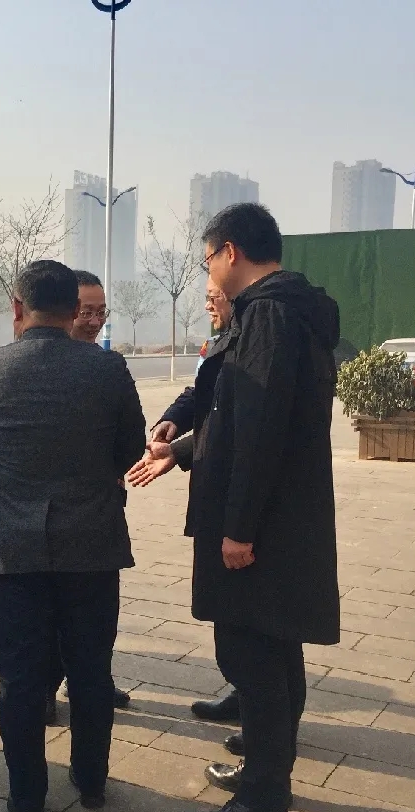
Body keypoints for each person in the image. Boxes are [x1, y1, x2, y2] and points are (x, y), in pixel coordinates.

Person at [127, 203, 340, 812]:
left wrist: (240, 528)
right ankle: (267, 779)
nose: (209, 274)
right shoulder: (285, 311)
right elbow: (230, 413)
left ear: (230, 252)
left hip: (261, 524)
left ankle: (263, 803)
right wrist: (182, 447)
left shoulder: (268, 315)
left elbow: (259, 429)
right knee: (274, 651)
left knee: (253, 659)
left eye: (207, 260)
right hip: (282, 516)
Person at [0, 260, 146, 812]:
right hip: (91, 539)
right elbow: (129, 448)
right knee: (91, 667)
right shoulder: (108, 368)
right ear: (74, 310)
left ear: (18, 307)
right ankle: (91, 782)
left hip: (12, 544)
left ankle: (27, 801)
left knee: (20, 676)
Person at [145, 280, 242, 728]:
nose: (207, 305)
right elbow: (202, 393)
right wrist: (173, 419)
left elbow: (231, 425)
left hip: (236, 507)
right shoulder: (224, 339)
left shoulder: (253, 343)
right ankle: (245, 695)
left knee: (248, 622)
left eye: (213, 297)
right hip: (217, 499)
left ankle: (263, 727)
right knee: (229, 614)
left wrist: (179, 451)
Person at [36, 268, 131, 719]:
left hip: (96, 512)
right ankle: (46, 687)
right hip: (42, 517)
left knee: (95, 613)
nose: (93, 322)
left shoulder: (107, 366)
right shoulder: (33, 365)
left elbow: (128, 440)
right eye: (85, 312)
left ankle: (89, 680)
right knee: (47, 613)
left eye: (101, 312)